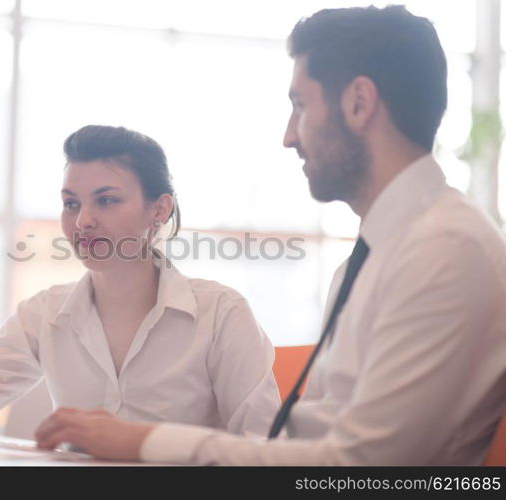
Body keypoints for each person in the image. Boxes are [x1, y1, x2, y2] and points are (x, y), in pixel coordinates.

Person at [34, 6, 506, 465]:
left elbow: (362, 468)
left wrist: (144, 442)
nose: (288, 136)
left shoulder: (446, 250)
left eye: (300, 106)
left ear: (358, 103)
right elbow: (311, 440)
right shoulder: (369, 259)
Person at [0, 125, 280, 445]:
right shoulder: (43, 315)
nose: (83, 221)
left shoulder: (221, 314)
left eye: (106, 201)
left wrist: (144, 441)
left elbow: (267, 454)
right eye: (71, 203)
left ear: (159, 209)